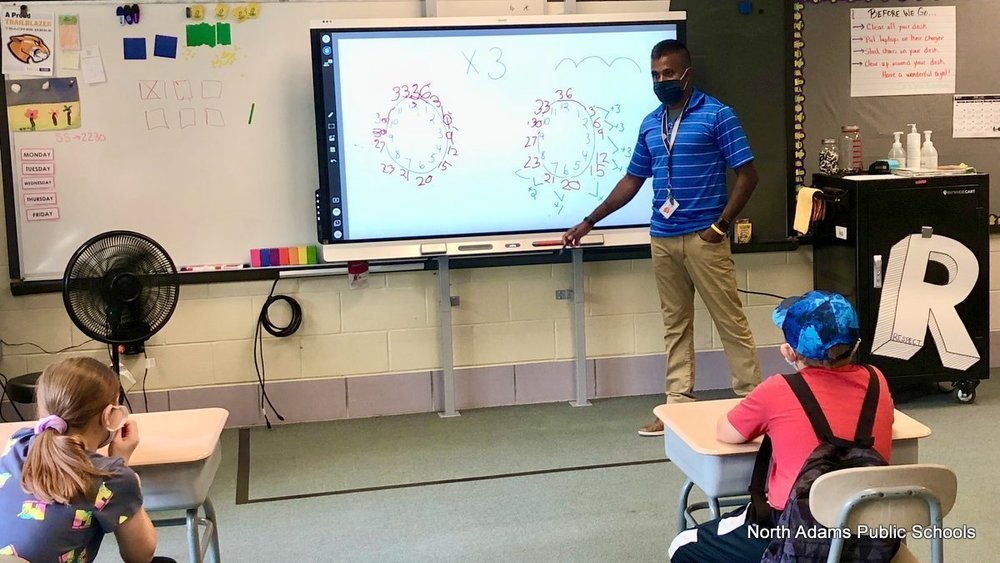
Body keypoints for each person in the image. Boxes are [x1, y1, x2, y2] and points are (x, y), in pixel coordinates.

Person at [562, 39, 761, 436]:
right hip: (663, 238)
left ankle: (753, 403)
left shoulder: (718, 115)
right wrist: (589, 222)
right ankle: (678, 406)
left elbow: (748, 175)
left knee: (730, 321)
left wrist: (720, 225)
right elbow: (632, 180)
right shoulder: (652, 123)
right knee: (675, 324)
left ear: (687, 73)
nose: (661, 80)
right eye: (655, 74)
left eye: (668, 73)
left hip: (706, 238)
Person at [667, 290, 895, 562]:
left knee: (683, 545)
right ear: (855, 346)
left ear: (789, 351)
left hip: (795, 532)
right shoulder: (876, 380)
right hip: (870, 534)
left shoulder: (778, 389)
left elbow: (727, 432)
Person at [0, 357, 173, 563]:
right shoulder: (111, 477)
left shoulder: (18, 442)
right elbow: (141, 556)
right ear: (110, 416)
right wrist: (121, 465)